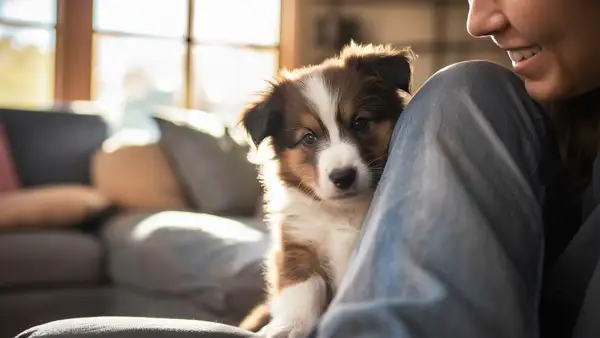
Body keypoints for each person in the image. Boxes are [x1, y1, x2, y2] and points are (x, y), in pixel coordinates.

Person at [16, 0, 600, 337]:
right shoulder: (482, 103)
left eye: (359, 125)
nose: (476, 20)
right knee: (468, 88)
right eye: (311, 140)